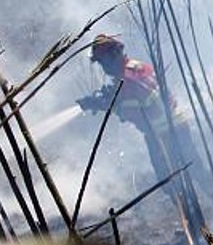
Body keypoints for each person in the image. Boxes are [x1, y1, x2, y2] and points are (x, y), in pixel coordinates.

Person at [80, 33, 203, 226]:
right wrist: (106, 100)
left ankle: (194, 221)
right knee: (193, 168)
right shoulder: (134, 68)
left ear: (114, 55)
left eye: (103, 62)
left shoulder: (128, 79)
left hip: (163, 133)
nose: (103, 68)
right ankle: (210, 206)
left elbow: (136, 110)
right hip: (174, 126)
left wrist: (106, 104)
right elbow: (129, 99)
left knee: (169, 178)